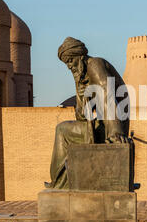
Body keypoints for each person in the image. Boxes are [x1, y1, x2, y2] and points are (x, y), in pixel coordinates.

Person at [45, 37, 130, 189]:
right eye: (67, 63)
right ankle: (61, 182)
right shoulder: (81, 76)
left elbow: (107, 95)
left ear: (80, 56)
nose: (70, 66)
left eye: (71, 61)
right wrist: (81, 94)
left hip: (114, 125)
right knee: (65, 129)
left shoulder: (95, 65)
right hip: (100, 124)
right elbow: (81, 118)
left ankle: (59, 183)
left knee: (62, 130)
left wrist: (116, 133)